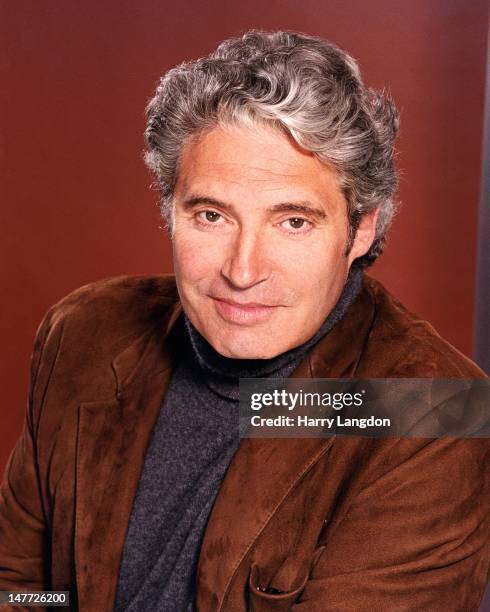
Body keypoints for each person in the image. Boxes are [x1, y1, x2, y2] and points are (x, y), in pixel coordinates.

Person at [0, 30, 488, 612]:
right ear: (170, 211)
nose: (243, 269)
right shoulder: (85, 331)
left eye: (294, 222)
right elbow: (28, 590)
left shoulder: (434, 408)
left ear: (360, 229)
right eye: (211, 215)